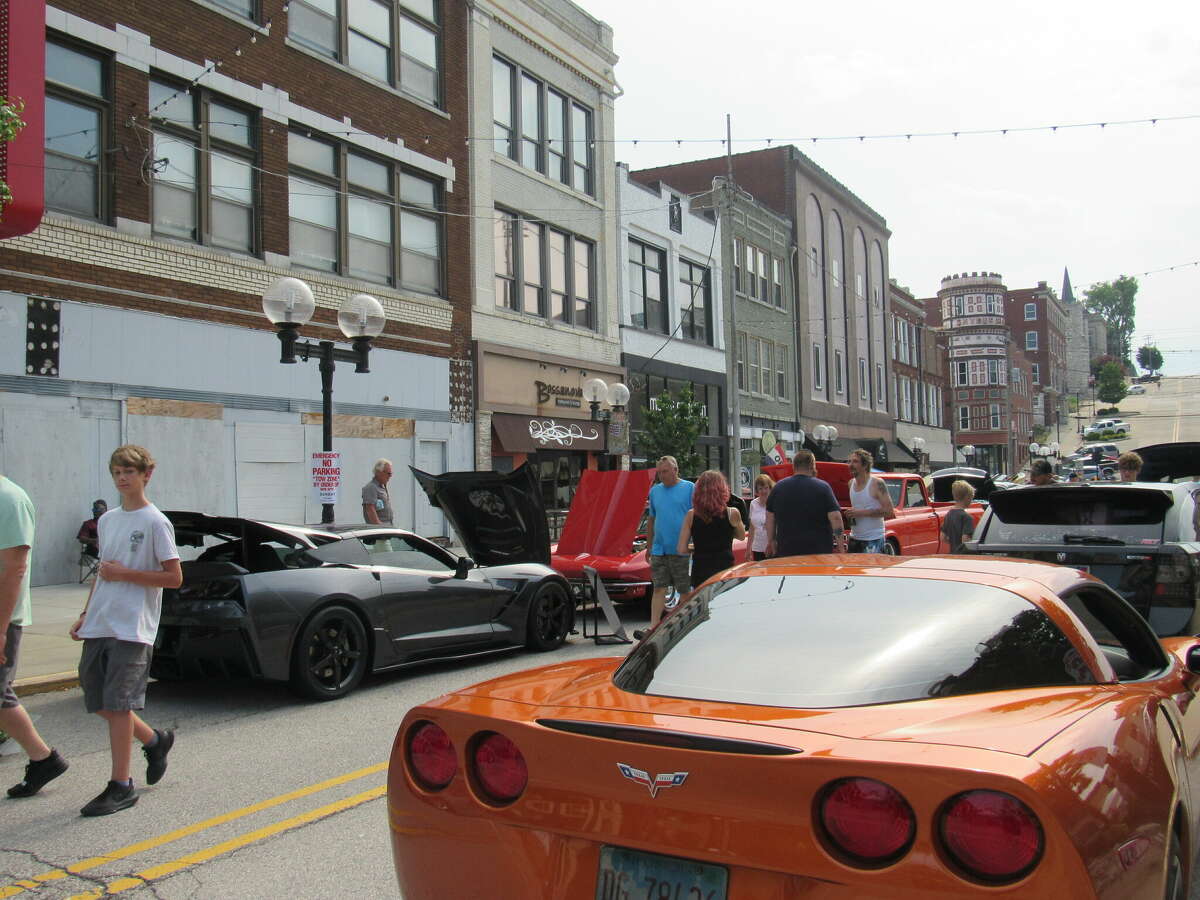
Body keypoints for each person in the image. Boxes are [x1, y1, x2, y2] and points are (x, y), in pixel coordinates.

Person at [70, 445, 181, 817]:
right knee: (96, 694)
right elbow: (104, 571)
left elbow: (174, 577)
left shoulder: (155, 522)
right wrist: (86, 613)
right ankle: (154, 740)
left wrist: (126, 575)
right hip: (102, 619)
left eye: (129, 472)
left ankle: (121, 785)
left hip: (133, 625)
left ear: (146, 474)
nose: (122, 478)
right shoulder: (108, 520)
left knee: (118, 704)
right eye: (117, 472)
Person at [2, 474, 70, 800]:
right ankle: (43, 759)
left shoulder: (9, 498)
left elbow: (14, 567)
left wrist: (0, 629)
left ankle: (43, 758)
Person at [766, 450, 846, 557]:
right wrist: (841, 548)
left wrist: (771, 541)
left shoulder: (778, 487)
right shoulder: (823, 488)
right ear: (812, 465)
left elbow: (770, 518)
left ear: (794, 466)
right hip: (818, 553)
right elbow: (836, 518)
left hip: (787, 551)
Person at [644, 456, 694, 626]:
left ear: (675, 470)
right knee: (659, 588)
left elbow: (695, 518)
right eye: (659, 472)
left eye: (665, 471)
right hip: (660, 549)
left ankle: (687, 624)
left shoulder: (689, 488)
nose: (662, 476)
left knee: (684, 590)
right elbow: (652, 519)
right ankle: (653, 627)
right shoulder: (655, 491)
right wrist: (648, 546)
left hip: (681, 549)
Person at [677, 471, 745, 589]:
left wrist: (696, 547)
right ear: (722, 489)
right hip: (724, 570)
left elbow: (681, 549)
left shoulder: (691, 515)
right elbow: (741, 536)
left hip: (700, 571)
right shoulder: (732, 513)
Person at [844, 448, 896, 553]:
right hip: (854, 537)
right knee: (853, 570)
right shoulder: (850, 483)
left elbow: (889, 511)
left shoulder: (876, 483)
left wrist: (860, 513)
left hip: (873, 539)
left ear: (865, 465)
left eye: (855, 461)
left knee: (871, 570)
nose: (850, 465)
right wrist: (851, 515)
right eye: (850, 461)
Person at [744, 474, 774, 561]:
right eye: (760, 488)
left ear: (770, 488)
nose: (763, 491)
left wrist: (772, 543)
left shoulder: (775, 503)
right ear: (757, 491)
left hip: (771, 548)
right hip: (757, 548)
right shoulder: (753, 504)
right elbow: (752, 528)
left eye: (766, 488)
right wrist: (748, 549)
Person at [941, 480, 977, 553]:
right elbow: (965, 539)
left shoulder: (949, 515)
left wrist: (954, 544)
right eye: (971, 498)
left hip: (953, 553)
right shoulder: (967, 517)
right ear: (967, 497)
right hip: (963, 556)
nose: (971, 501)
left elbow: (942, 537)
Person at [362, 459, 394, 525]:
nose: (390, 476)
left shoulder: (382, 487)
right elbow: (370, 510)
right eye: (388, 473)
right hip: (380, 530)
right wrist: (380, 527)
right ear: (379, 472)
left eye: (391, 473)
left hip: (387, 527)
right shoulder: (371, 487)